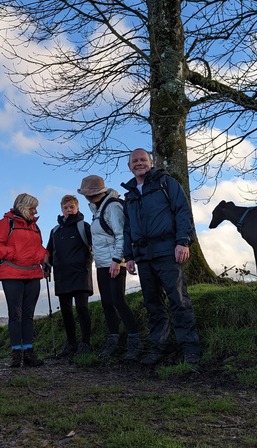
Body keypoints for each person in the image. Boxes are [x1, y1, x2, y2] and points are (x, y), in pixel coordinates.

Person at [122, 149, 201, 365]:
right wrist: (128, 256)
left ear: (151, 162)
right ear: (129, 166)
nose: (139, 164)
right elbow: (127, 228)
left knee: (178, 300)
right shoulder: (129, 195)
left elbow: (182, 211)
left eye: (143, 160)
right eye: (134, 161)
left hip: (168, 251)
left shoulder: (167, 184)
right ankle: (160, 348)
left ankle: (190, 349)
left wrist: (183, 241)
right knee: (153, 303)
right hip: (143, 256)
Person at [78, 175, 142, 360]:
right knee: (107, 303)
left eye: (89, 193)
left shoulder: (112, 206)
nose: (86, 197)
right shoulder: (96, 208)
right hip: (102, 263)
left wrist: (117, 259)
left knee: (118, 301)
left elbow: (121, 234)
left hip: (115, 262)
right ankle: (113, 341)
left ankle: (134, 341)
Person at [0, 193, 50, 368]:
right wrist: (16, 255)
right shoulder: (5, 223)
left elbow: (38, 248)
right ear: (23, 207)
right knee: (15, 315)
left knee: (28, 316)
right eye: (32, 208)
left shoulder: (35, 227)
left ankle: (29, 353)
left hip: (32, 275)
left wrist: (45, 257)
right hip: (12, 275)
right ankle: (16, 354)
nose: (35, 211)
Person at [45, 195, 94, 357]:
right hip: (62, 275)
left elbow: (94, 247)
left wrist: (87, 263)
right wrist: (46, 266)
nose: (68, 210)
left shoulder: (84, 227)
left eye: (72, 207)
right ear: (61, 209)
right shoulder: (55, 231)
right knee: (66, 311)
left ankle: (85, 343)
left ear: (77, 208)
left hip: (81, 274)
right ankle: (71, 344)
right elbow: (49, 253)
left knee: (82, 308)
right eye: (66, 207)